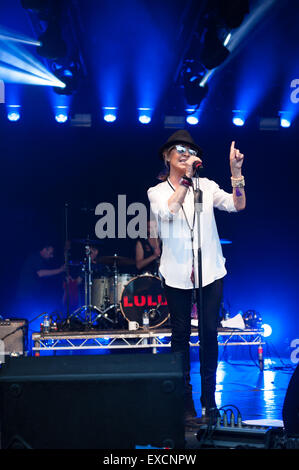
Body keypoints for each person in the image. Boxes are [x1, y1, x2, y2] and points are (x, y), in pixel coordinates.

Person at [147, 129, 246, 426]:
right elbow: (168, 213)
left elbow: (237, 204)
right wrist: (187, 180)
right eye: (178, 148)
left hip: (211, 270)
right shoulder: (157, 191)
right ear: (167, 156)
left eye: (189, 148)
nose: (184, 152)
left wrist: (236, 172)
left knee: (208, 336)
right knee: (180, 337)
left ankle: (209, 402)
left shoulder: (206, 186)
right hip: (176, 272)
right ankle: (184, 399)